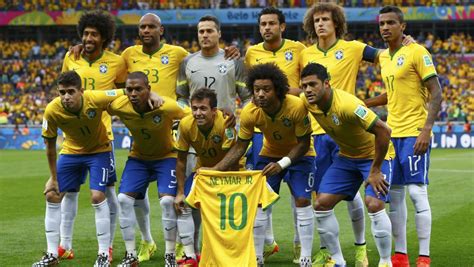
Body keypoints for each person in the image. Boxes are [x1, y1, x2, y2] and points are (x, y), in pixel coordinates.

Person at [210, 63, 315, 267]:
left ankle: (306, 258)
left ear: (277, 89)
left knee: (302, 200)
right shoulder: (250, 112)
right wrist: (215, 169)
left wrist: (282, 164)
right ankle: (256, 258)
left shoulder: (295, 106)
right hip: (269, 155)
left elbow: (303, 144)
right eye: (256, 90)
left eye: (266, 89)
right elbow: (240, 147)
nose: (260, 94)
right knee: (259, 202)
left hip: (301, 156)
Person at [365, 6, 442, 267]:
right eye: (381, 24)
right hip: (391, 134)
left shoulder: (418, 52)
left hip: (414, 133)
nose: (384, 27)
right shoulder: (385, 57)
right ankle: (400, 255)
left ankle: (424, 256)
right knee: (395, 196)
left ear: (402, 26)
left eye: (390, 23)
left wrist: (426, 129)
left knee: (417, 193)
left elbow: (436, 91)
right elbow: (391, 93)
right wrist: (365, 103)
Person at [300, 63, 394, 267]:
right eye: (304, 85)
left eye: (312, 85)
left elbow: (384, 131)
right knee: (321, 204)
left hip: (374, 156)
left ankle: (386, 262)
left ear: (326, 84)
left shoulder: (347, 105)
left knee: (374, 204)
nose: (307, 90)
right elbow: (289, 93)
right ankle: (339, 261)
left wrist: (376, 169)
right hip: (347, 157)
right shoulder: (307, 100)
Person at [33, 71, 126, 267]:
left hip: (100, 151)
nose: (66, 97)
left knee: (98, 196)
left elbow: (125, 92)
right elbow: (50, 146)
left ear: (81, 92)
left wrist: (151, 95)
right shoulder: (52, 110)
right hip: (71, 152)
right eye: (62, 92)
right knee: (52, 194)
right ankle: (52, 254)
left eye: (71, 92)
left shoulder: (94, 98)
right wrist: (53, 177)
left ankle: (103, 254)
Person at [59, 10, 126, 262]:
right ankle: (65, 245)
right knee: (68, 191)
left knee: (106, 193)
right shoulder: (71, 57)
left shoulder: (117, 62)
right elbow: (64, 88)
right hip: (73, 137)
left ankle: (107, 245)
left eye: (94, 34)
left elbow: (123, 93)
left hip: (101, 137)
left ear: (104, 37)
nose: (88, 38)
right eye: (85, 33)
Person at [107, 72, 190, 267]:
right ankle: (131, 254)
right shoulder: (120, 105)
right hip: (139, 158)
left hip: (167, 157)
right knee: (123, 199)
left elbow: (190, 115)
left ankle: (170, 255)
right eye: (130, 90)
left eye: (139, 89)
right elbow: (100, 102)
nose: (133, 93)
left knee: (168, 201)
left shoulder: (166, 105)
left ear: (149, 90)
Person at [244, 7, 307, 262]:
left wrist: (283, 92)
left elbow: (306, 86)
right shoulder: (252, 53)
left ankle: (298, 244)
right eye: (263, 24)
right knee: (263, 191)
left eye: (272, 23)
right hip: (265, 129)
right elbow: (252, 88)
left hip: (294, 122)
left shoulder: (298, 49)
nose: (267, 27)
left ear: (282, 26)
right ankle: (265, 244)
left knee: (298, 192)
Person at [174, 88, 238, 267]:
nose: (198, 113)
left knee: (222, 216)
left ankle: (227, 255)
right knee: (184, 204)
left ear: (214, 110)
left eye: (203, 109)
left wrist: (216, 178)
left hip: (229, 173)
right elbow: (180, 160)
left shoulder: (225, 123)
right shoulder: (186, 125)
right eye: (194, 108)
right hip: (202, 172)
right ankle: (190, 255)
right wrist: (180, 192)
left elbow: (231, 159)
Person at [176, 15, 251, 113]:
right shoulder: (186, 62)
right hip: (196, 125)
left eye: (209, 31)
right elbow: (182, 98)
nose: (205, 35)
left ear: (219, 33)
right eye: (201, 31)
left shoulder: (234, 60)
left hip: (225, 126)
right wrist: (187, 116)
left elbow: (247, 98)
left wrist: (245, 118)